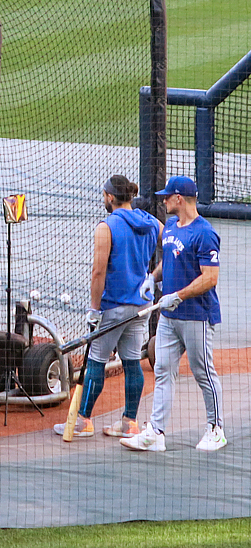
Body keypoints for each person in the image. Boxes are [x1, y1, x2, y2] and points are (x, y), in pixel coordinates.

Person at [122, 176, 226, 452]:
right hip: (169, 318)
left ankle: (216, 429)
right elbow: (168, 260)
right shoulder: (170, 226)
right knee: (163, 370)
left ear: (179, 199)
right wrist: (152, 279)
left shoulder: (204, 233)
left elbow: (211, 278)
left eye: (168, 196)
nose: (164, 200)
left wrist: (177, 296)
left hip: (196, 315)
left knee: (203, 371)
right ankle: (156, 432)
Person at [53, 175, 159, 439]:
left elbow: (98, 273)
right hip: (141, 306)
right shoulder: (151, 222)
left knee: (96, 362)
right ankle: (129, 423)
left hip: (113, 307)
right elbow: (173, 247)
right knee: (132, 361)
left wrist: (94, 309)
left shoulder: (106, 226)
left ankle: (83, 421)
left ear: (110, 197)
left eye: (104, 194)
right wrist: (154, 276)